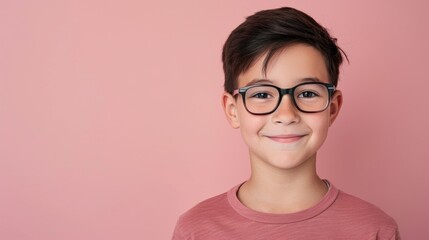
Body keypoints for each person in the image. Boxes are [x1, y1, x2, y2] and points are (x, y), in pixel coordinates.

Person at [172, 7, 400, 240]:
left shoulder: (375, 230)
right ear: (233, 111)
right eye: (262, 95)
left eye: (308, 93)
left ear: (332, 108)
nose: (286, 114)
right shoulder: (195, 230)